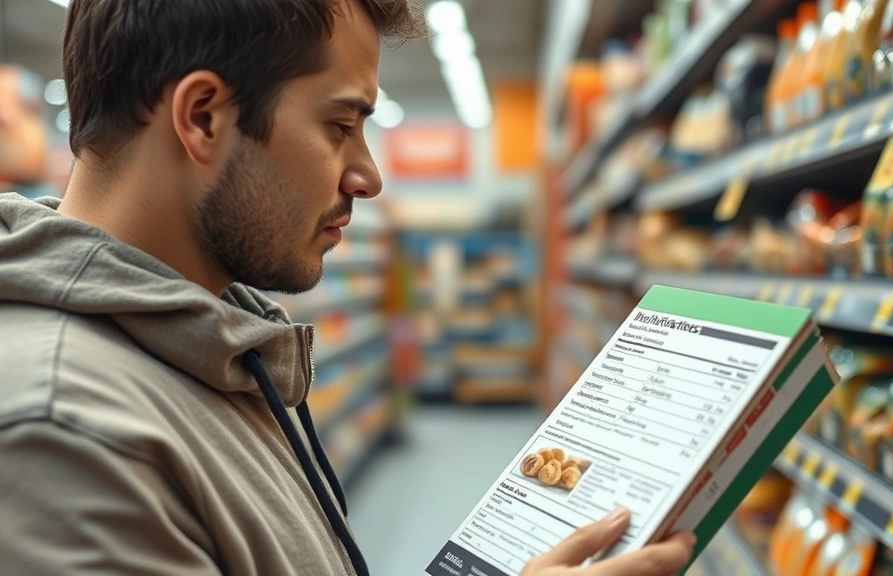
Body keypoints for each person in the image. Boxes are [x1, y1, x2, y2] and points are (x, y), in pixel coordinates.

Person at [0, 0, 696, 574]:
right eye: (340, 127)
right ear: (203, 116)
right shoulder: (62, 432)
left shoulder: (210, 349)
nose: (369, 176)